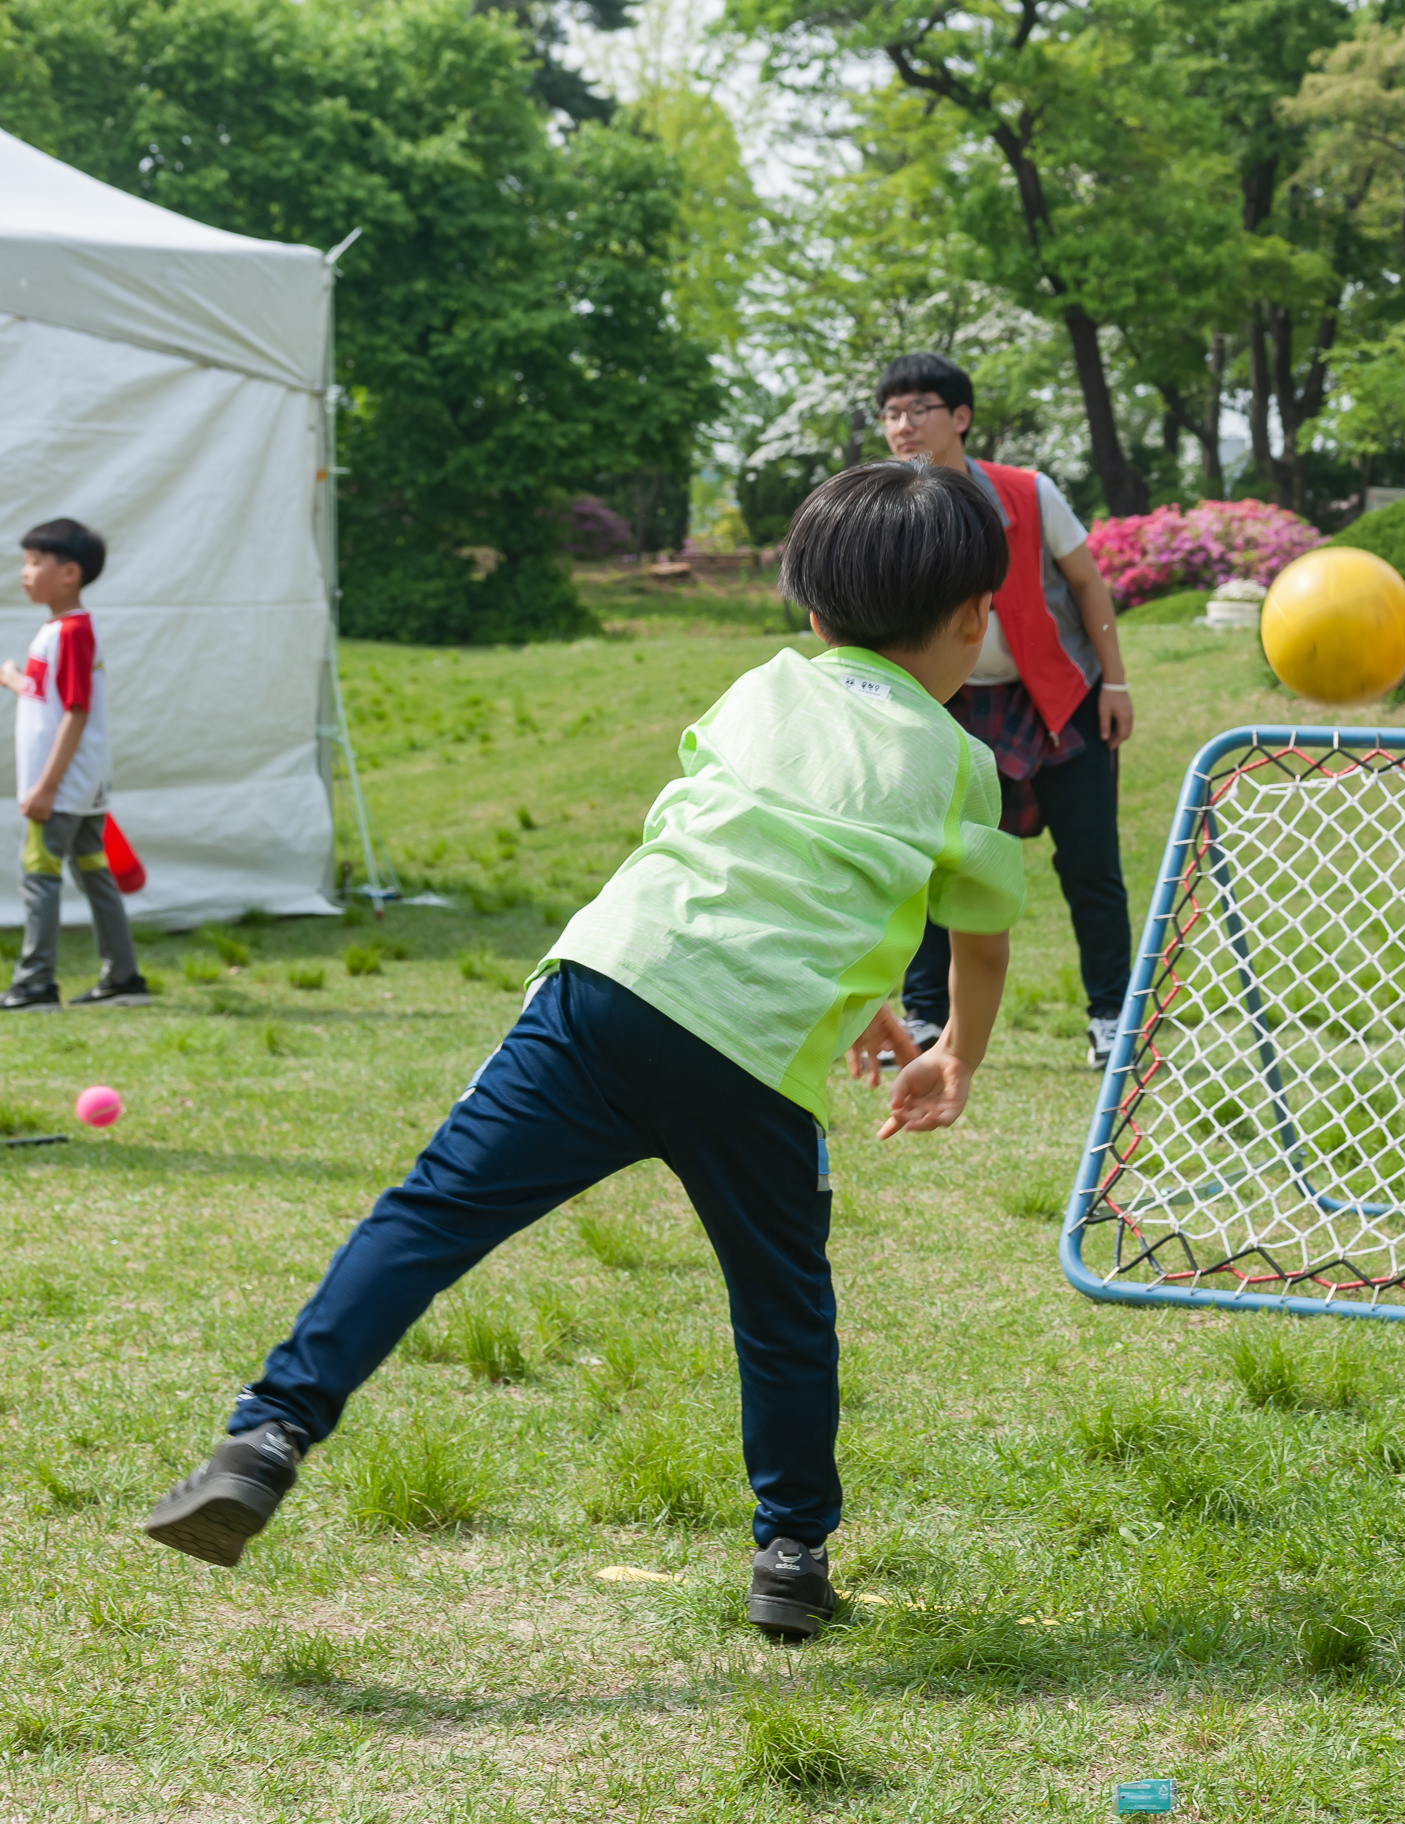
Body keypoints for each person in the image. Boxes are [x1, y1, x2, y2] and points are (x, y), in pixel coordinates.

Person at [138, 462, 1028, 1642]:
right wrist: (953, 1053)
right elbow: (980, 942)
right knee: (781, 1306)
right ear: (974, 618)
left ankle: (266, 1435)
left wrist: (853, 985)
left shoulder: (763, 688)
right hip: (747, 1060)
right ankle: (793, 1554)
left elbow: (755, 844)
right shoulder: (961, 768)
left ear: (811, 616)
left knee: (430, 1214)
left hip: (607, 987)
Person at [874, 352, 1135, 1071]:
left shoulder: (1027, 492)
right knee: (934, 863)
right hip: (948, 705)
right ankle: (928, 1016)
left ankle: (1114, 1018)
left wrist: (1114, 684)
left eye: (919, 409)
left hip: (1059, 699)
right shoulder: (889, 507)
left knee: (1091, 866)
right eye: (892, 413)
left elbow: (1088, 585)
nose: (904, 426)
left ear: (960, 417)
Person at [5, 519, 147, 1012]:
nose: (25, 572)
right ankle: (123, 977)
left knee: (39, 875)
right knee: (93, 872)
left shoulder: (71, 630)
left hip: (61, 787)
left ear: (69, 573)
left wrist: (45, 787)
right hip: (81, 785)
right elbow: (52, 696)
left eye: (34, 562)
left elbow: (76, 710)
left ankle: (35, 983)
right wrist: (15, 680)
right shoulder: (61, 630)